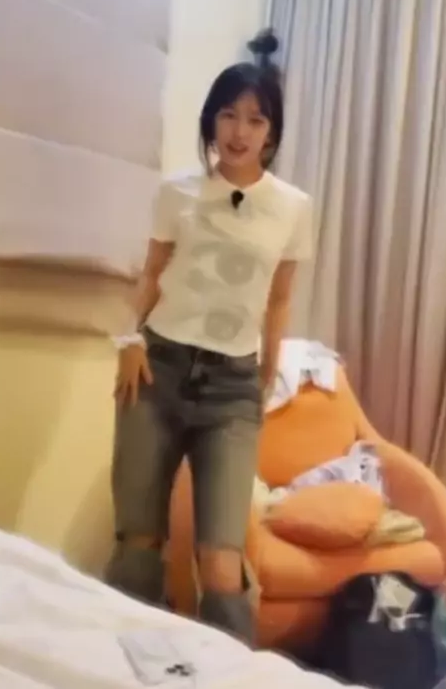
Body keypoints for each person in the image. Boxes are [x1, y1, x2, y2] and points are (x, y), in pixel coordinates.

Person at [105, 33, 313, 644]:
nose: (239, 130)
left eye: (255, 118)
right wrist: (128, 341)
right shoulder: (178, 192)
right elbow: (151, 275)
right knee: (139, 542)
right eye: (228, 114)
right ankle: (123, 668)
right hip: (157, 370)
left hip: (232, 387)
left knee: (221, 562)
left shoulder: (293, 207)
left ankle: (228, 676)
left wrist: (265, 376)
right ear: (210, 122)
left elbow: (279, 298)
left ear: (271, 133)